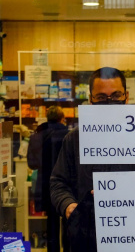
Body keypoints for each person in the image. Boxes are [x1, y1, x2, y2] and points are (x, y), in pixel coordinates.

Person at [50, 67, 135, 252]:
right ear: (91, 98)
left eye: (116, 95)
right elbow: (58, 183)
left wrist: (116, 190)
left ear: (126, 96)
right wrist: (68, 205)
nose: (109, 102)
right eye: (101, 97)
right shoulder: (75, 139)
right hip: (87, 239)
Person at [27, 106, 69, 252]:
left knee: (51, 221)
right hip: (66, 183)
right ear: (62, 117)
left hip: (45, 183)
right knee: (68, 217)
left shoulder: (37, 135)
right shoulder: (68, 134)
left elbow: (32, 164)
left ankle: (53, 249)